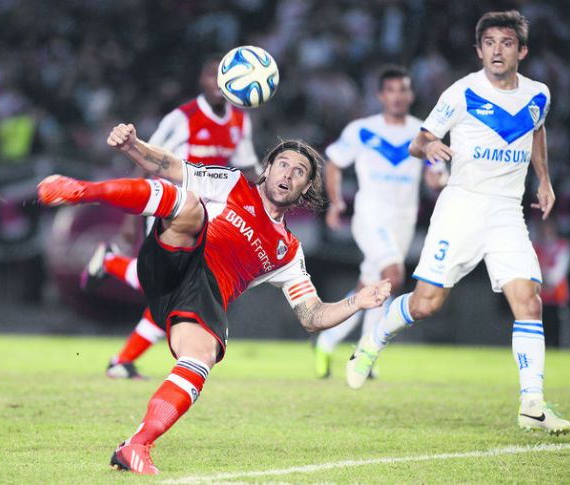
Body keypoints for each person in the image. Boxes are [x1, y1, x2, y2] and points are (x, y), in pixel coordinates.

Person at [37, 124, 392, 474]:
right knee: (188, 205)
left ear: (304, 191)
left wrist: (357, 302)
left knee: (200, 359)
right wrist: (133, 147)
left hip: (202, 296)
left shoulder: (288, 252)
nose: (289, 173)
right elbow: (170, 167)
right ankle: (81, 190)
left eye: (299, 172)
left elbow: (312, 315)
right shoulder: (234, 184)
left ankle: (136, 446)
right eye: (283, 164)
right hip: (179, 256)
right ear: (267, 169)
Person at [345, 10, 570, 435]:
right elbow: (419, 139)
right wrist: (430, 149)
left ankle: (532, 404)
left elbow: (536, 129)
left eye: (506, 43)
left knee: (529, 301)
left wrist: (543, 179)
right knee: (426, 304)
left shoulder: (538, 93)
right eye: (489, 43)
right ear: (479, 50)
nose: (497, 51)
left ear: (521, 50)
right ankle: (372, 343)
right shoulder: (462, 92)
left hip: (506, 210)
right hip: (462, 207)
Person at [80, 54, 261, 380]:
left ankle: (120, 358)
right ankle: (111, 270)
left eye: (225, 77)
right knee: (169, 289)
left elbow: (247, 168)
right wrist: (129, 217)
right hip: (172, 207)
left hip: (209, 217)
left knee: (174, 293)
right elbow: (144, 157)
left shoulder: (240, 121)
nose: (218, 83)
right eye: (211, 75)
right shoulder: (182, 118)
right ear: (202, 81)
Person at [314, 65, 446, 378]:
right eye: (391, 90)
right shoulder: (362, 129)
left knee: (370, 287)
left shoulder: (422, 133)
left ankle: (328, 338)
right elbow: (333, 163)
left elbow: (433, 176)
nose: (397, 96)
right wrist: (335, 203)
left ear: (411, 94)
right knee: (393, 275)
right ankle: (365, 353)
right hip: (370, 215)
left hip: (403, 219)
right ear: (380, 95)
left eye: (403, 90)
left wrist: (438, 178)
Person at [532, 217, 570, 348]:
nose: (545, 232)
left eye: (548, 228)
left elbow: (558, 273)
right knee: (539, 337)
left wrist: (545, 278)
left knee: (558, 336)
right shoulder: (534, 248)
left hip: (557, 298)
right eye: (543, 228)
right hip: (539, 300)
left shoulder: (563, 246)